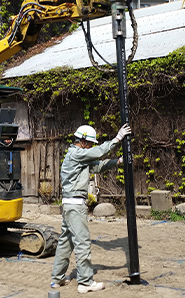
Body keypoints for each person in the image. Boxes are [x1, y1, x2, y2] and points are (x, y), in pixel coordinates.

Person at [51, 123, 131, 294]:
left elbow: (97, 165)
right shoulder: (76, 153)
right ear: (83, 141)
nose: (93, 146)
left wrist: (116, 161)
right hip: (75, 206)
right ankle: (85, 282)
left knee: (66, 242)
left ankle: (57, 279)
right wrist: (117, 138)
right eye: (91, 143)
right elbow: (98, 152)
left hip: (68, 205)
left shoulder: (77, 157)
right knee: (82, 243)